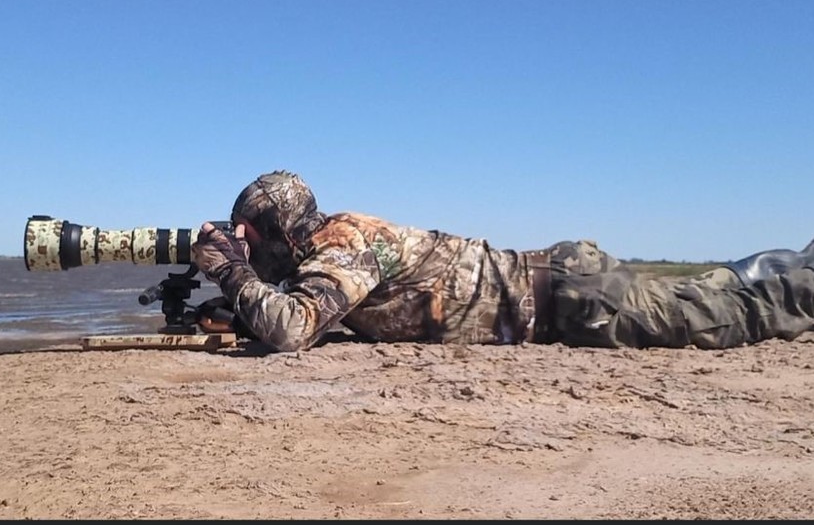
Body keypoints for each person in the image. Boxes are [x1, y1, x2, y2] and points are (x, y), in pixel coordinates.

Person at [191, 170, 814, 352]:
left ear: (274, 231)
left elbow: (293, 329)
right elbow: (314, 310)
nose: (243, 245)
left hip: (571, 301)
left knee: (725, 319)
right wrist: (238, 297)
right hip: (563, 288)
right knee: (708, 296)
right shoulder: (326, 251)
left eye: (248, 235)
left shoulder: (345, 243)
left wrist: (232, 272)